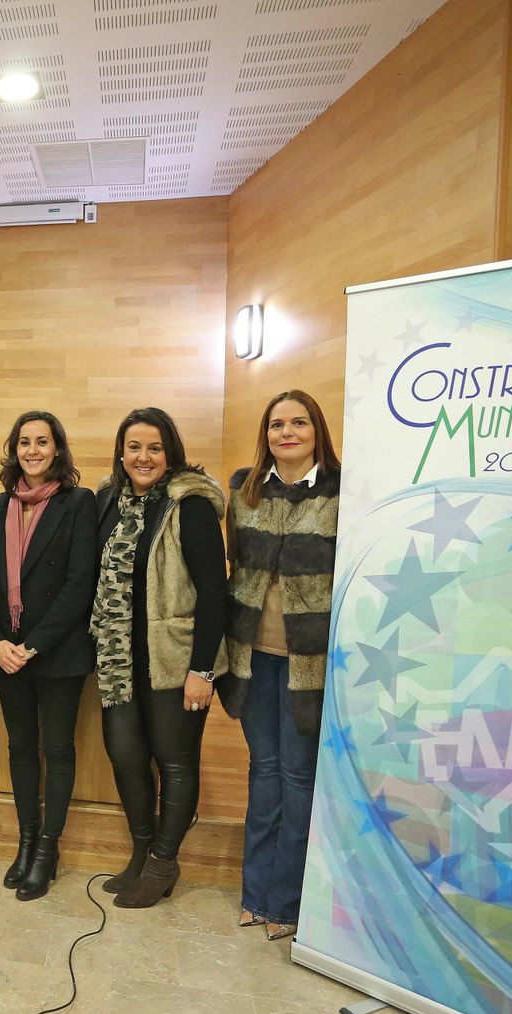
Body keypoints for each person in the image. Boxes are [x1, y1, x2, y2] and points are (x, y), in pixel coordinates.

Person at [89, 407, 229, 908]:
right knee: (126, 756)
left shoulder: (188, 505)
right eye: (133, 447)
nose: (143, 457)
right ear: (121, 453)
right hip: (119, 659)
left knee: (175, 762)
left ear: (170, 452)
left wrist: (202, 671)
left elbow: (215, 592)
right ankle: (141, 852)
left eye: (153, 447)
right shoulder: (109, 501)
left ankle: (164, 863)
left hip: (176, 661)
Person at [219, 390, 340, 942]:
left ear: (316, 430)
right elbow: (234, 567)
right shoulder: (243, 491)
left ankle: (287, 902)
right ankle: (254, 894)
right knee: (263, 773)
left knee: (298, 777)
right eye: (276, 424)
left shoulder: (343, 492)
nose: (286, 432)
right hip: (253, 660)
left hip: (310, 666)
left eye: (298, 423)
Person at [0, 411, 96, 900]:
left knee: (58, 749)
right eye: (24, 442)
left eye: (42, 442)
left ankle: (48, 849)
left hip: (56, 652)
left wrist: (33, 644)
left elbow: (78, 584)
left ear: (57, 449)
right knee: (20, 749)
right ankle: (25, 842)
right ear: (14, 449)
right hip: (7, 653)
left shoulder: (78, 503)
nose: (32, 450)